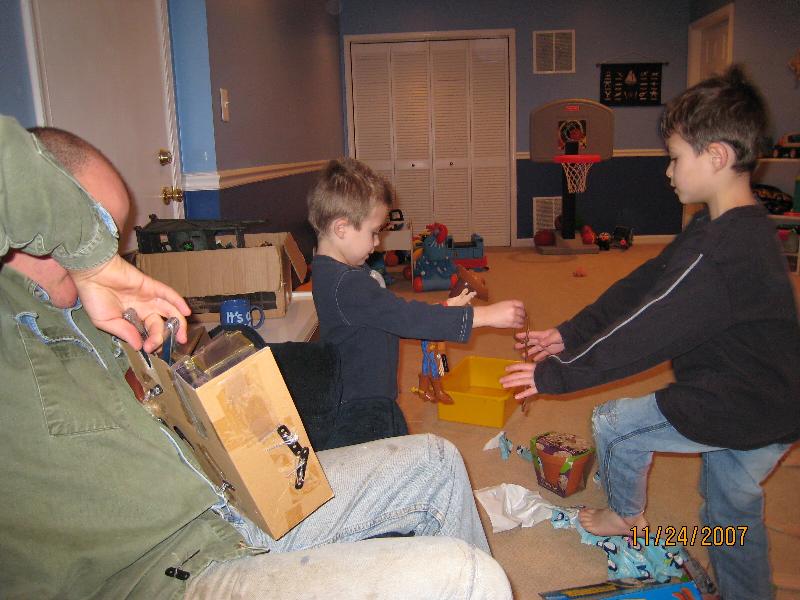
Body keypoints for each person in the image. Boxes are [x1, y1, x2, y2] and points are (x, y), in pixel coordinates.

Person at [0, 117, 513, 598]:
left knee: (437, 460)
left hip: (223, 504)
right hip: (174, 569)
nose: (107, 256)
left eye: (110, 238)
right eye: (92, 231)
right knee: (470, 577)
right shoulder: (13, 327)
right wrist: (90, 259)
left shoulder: (93, 316)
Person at [500, 65, 800, 600]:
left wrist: (555, 374)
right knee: (730, 513)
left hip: (743, 403)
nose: (667, 171)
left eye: (675, 157)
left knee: (615, 425)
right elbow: (644, 283)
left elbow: (647, 328)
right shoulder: (724, 226)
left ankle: (622, 517)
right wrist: (570, 333)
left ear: (716, 156)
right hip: (767, 400)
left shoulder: (718, 252)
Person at [308, 158, 526, 448]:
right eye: (374, 232)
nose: (378, 243)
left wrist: (443, 310)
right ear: (341, 228)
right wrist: (484, 316)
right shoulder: (347, 284)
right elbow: (403, 316)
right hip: (360, 404)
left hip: (358, 388)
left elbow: (385, 314)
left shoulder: (330, 270)